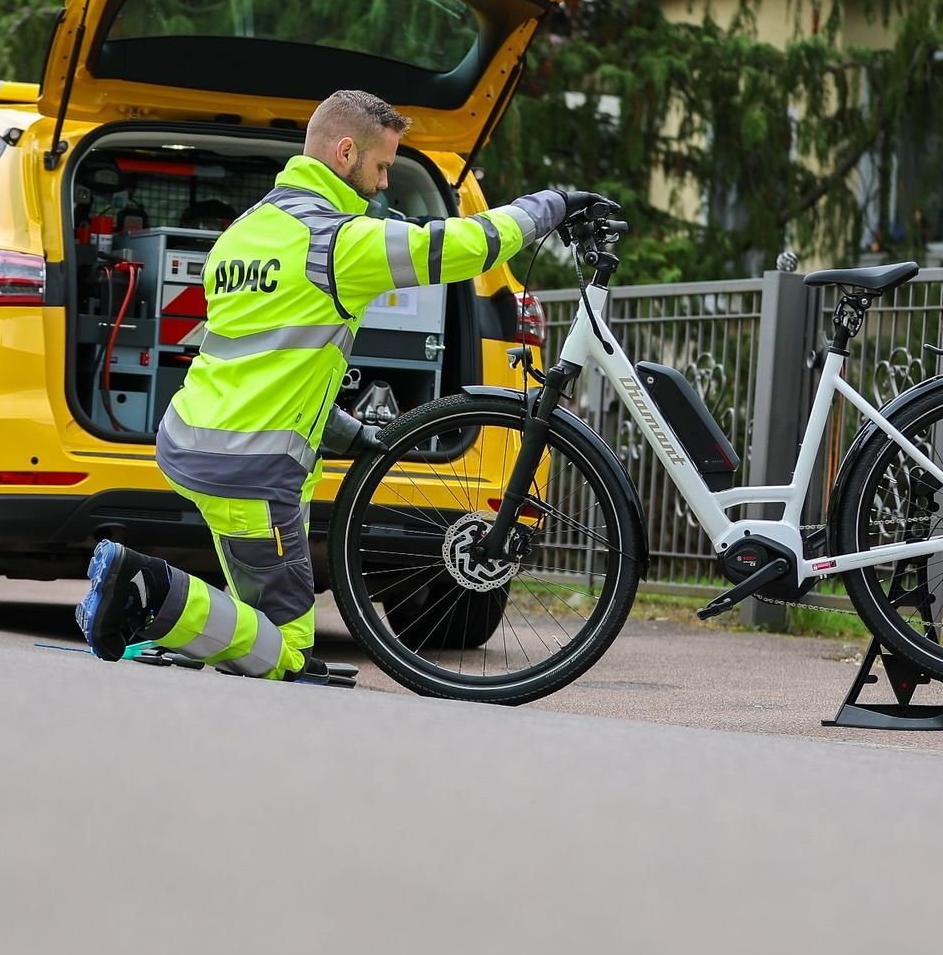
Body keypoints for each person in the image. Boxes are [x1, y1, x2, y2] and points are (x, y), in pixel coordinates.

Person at [76, 88, 605, 682]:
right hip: (255, 467)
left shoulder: (243, 233)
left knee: (269, 629)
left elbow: (269, 364)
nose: (383, 184)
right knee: (288, 650)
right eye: (381, 166)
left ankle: (173, 610)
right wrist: (550, 205)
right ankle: (145, 589)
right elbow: (463, 247)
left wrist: (349, 433)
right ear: (345, 151)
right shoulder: (337, 241)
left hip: (201, 441)